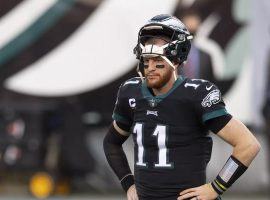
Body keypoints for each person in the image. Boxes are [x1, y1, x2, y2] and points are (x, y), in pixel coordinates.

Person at [103, 14, 261, 200]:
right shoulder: (131, 92)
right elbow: (111, 142)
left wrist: (216, 187)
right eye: (147, 60)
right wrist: (128, 183)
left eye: (158, 61)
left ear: (176, 59)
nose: (151, 67)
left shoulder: (196, 93)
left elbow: (248, 145)